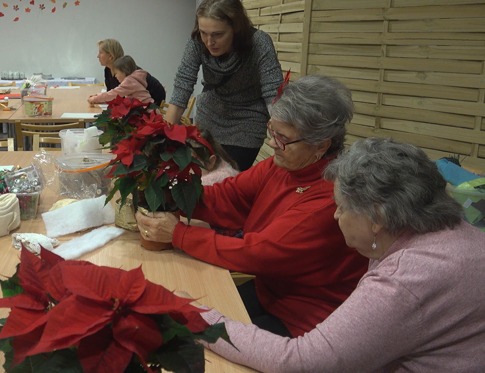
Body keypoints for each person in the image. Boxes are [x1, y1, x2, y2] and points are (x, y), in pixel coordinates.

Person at [184, 138, 485, 372]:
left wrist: (195, 317)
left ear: (377, 217)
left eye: (340, 207)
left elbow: (301, 362)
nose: (336, 216)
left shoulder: (405, 279)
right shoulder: (456, 233)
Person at [135, 75, 368, 338]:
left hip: (304, 321)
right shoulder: (286, 165)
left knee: (188, 338)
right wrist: (167, 193)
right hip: (268, 292)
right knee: (173, 312)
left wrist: (178, 234)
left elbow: (257, 253)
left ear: (321, 146)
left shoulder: (328, 199)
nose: (272, 143)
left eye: (283, 138)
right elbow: (229, 196)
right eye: (272, 131)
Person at [167, 0, 283, 172]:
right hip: (211, 114)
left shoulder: (259, 43)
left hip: (248, 118)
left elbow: (273, 93)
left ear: (236, 28)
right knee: (205, 175)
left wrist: (282, 136)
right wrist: (165, 141)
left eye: (218, 34)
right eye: (204, 33)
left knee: (228, 176)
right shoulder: (197, 41)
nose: (209, 42)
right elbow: (183, 85)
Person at [97, 39, 166, 104]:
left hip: (152, 101)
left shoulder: (128, 71)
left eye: (100, 53)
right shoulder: (107, 70)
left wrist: (98, 98)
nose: (98, 56)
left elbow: (119, 96)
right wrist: (99, 98)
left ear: (110, 56)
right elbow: (111, 94)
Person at [87, 56, 154, 104]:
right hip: (149, 110)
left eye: (116, 73)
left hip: (147, 113)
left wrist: (95, 98)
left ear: (124, 71)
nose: (115, 76)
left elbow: (113, 94)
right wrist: (98, 95)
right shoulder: (134, 79)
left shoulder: (129, 81)